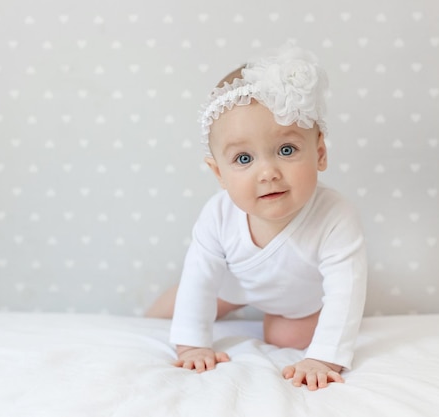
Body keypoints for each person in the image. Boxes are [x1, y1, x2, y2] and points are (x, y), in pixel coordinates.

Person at [147, 44, 367, 391]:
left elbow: (346, 290)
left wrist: (324, 357)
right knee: (173, 306)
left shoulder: (335, 216)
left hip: (297, 303)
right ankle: (177, 317)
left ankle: (277, 317)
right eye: (244, 159)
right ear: (219, 173)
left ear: (320, 153)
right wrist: (192, 343)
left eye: (286, 150)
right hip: (234, 286)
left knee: (285, 338)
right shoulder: (218, 214)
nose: (268, 172)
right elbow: (200, 276)